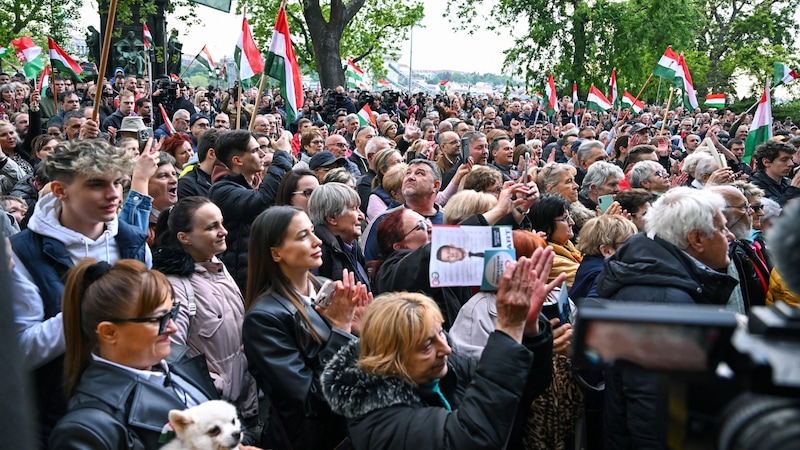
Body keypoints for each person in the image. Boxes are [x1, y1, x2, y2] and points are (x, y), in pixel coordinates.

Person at [321, 254, 556, 450]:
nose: (445, 348)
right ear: (391, 359)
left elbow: (522, 386)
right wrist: (507, 330)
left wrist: (530, 329)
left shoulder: (448, 366)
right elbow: (469, 439)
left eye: (441, 333)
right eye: (426, 345)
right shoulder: (377, 418)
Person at [10, 139, 149, 445]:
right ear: (61, 191)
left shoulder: (133, 241)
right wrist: (88, 310)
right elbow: (20, 351)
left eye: (118, 182)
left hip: (134, 404)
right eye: (97, 184)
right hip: (62, 415)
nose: (113, 194)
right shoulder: (24, 253)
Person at [595, 187, 737, 449]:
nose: (730, 236)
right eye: (721, 228)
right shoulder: (661, 300)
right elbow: (653, 405)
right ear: (696, 239)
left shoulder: (661, 282)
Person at [49, 259, 219, 448]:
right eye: (159, 319)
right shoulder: (87, 429)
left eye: (173, 313)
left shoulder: (177, 360)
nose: (173, 327)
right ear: (109, 332)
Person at [242, 206, 368, 449]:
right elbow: (310, 401)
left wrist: (364, 333)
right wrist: (341, 330)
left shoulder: (325, 287)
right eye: (303, 236)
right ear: (276, 253)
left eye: (312, 231)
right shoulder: (264, 318)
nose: (317, 240)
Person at [152, 197, 260, 442]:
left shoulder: (216, 265)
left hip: (244, 402)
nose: (224, 231)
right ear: (184, 237)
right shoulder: (174, 285)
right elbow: (171, 356)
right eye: (212, 227)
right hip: (213, 414)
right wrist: (216, 385)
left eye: (221, 223)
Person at [207, 130, 293, 290]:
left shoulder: (256, 184)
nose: (262, 154)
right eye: (254, 150)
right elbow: (263, 200)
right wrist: (282, 156)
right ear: (237, 160)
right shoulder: (222, 190)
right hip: (243, 283)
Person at [307, 182, 370, 290]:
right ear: (332, 218)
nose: (362, 216)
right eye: (354, 209)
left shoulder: (353, 248)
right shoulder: (318, 255)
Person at [570, 215, 637, 299]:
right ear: (606, 250)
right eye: (628, 243)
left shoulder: (590, 264)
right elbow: (593, 308)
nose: (635, 246)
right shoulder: (603, 275)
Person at [528, 194, 583, 289]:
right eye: (565, 218)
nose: (572, 222)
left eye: (570, 216)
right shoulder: (550, 260)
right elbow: (592, 277)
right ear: (547, 227)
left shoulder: (566, 245)